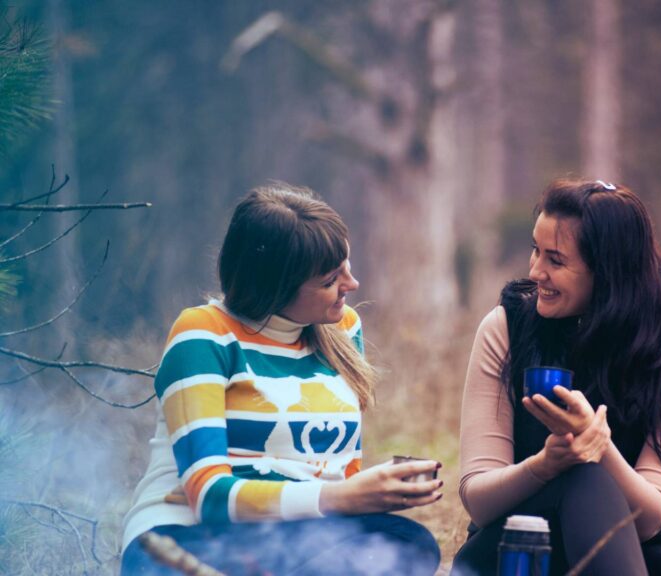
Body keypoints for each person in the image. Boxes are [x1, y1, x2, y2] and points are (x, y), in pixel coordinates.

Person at [453, 179, 661, 575]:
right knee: (584, 481)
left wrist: (599, 447)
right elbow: (478, 497)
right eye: (535, 251)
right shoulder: (507, 329)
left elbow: (651, 518)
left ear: (609, 273)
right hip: (516, 557)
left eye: (555, 260)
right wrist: (546, 464)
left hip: (626, 561)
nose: (536, 271)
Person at [121, 183, 442, 575]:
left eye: (347, 266)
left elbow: (342, 468)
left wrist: (371, 495)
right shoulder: (204, 334)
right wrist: (341, 497)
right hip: (189, 536)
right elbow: (210, 498)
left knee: (410, 543)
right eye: (329, 280)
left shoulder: (342, 330)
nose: (351, 285)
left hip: (301, 536)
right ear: (274, 287)